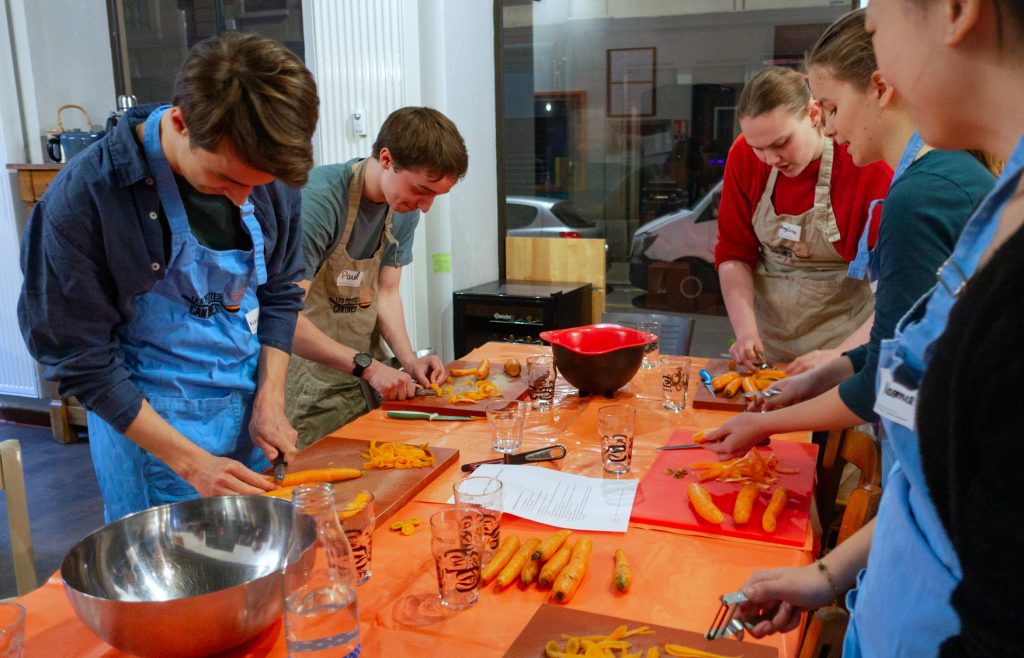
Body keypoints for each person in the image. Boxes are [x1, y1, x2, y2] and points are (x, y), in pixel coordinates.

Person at [728, 1, 1024, 655]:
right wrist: (828, 572)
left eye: (874, 30)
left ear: (954, 12)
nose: (880, 64)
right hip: (888, 606)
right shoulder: (994, 202)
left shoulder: (935, 195)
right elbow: (924, 480)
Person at [18, 32, 318, 522]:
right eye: (227, 181)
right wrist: (191, 462)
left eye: (257, 186)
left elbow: (281, 294)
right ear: (180, 123)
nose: (245, 200)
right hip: (153, 435)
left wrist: (270, 399)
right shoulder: (84, 200)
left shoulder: (267, 170)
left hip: (247, 415)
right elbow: (79, 358)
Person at [702, 9, 996, 478]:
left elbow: (882, 383)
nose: (830, 127)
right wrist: (822, 376)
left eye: (831, 108)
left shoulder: (918, 196)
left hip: (955, 446)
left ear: (882, 88)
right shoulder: (941, 175)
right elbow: (904, 344)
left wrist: (766, 424)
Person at [286, 107, 468, 448]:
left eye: (435, 197)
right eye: (421, 190)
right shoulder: (319, 202)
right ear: (386, 158)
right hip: (312, 387)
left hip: (366, 382)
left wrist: (409, 361)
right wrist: (368, 366)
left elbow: (386, 295)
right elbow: (285, 321)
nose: (425, 206)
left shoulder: (403, 210)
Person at [715, 66, 892, 368]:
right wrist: (745, 333)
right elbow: (733, 253)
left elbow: (895, 286)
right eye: (759, 148)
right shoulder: (743, 156)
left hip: (845, 343)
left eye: (781, 143)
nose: (770, 159)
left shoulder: (862, 162)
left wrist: (842, 357)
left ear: (813, 114)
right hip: (767, 346)